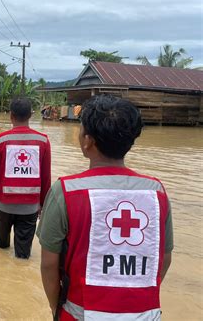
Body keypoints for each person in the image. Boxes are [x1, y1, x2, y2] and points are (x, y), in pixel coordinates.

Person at [37, 94, 173, 320]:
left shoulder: (66, 191)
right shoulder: (156, 191)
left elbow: (49, 264)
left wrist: (56, 309)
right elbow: (164, 259)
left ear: (87, 141)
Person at [0, 97, 51, 259]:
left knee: (0, 249)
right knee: (22, 256)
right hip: (30, 208)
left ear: (11, 116)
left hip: (3, 206)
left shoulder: (0, 141)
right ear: (30, 115)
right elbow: (46, 177)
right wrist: (43, 204)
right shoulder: (43, 141)